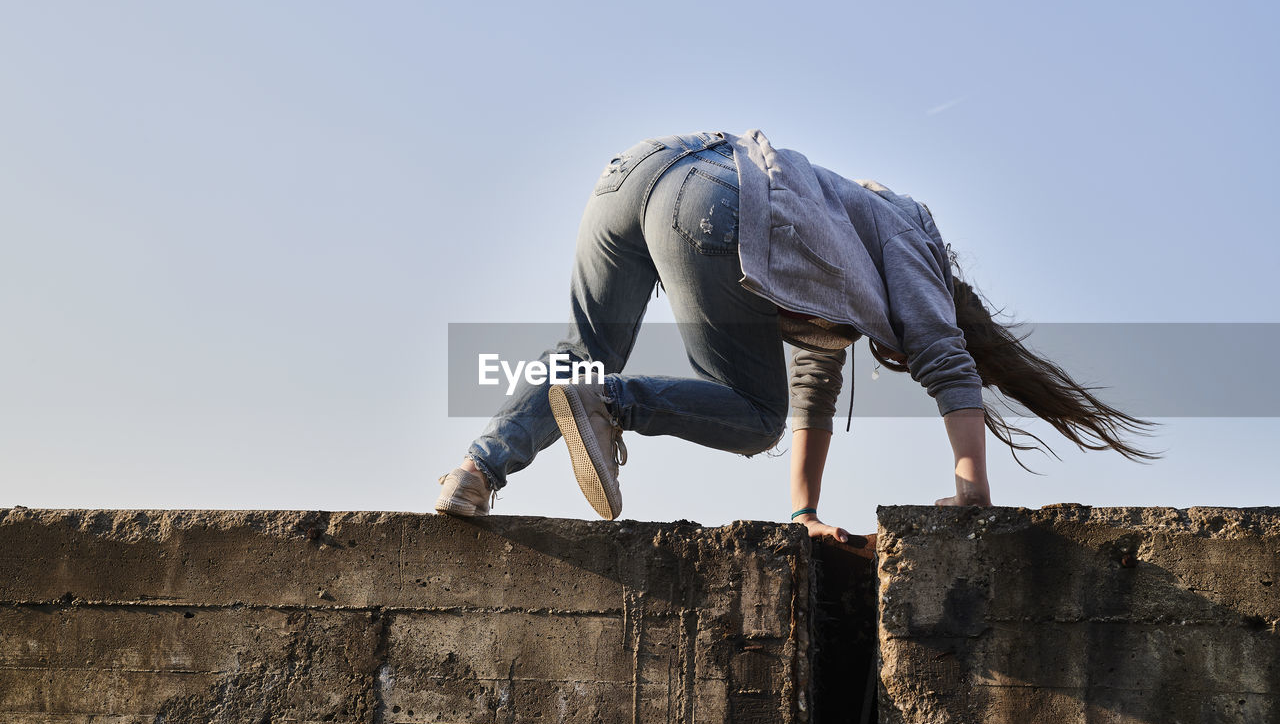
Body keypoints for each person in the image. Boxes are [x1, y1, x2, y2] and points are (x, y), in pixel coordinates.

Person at [435, 130, 1155, 539]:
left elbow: (815, 381)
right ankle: (611, 405)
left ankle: (476, 470)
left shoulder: (840, 257)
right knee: (754, 417)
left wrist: (803, 513)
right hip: (715, 199)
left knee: (583, 355)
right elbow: (944, 353)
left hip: (632, 174)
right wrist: (973, 489)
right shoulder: (911, 236)